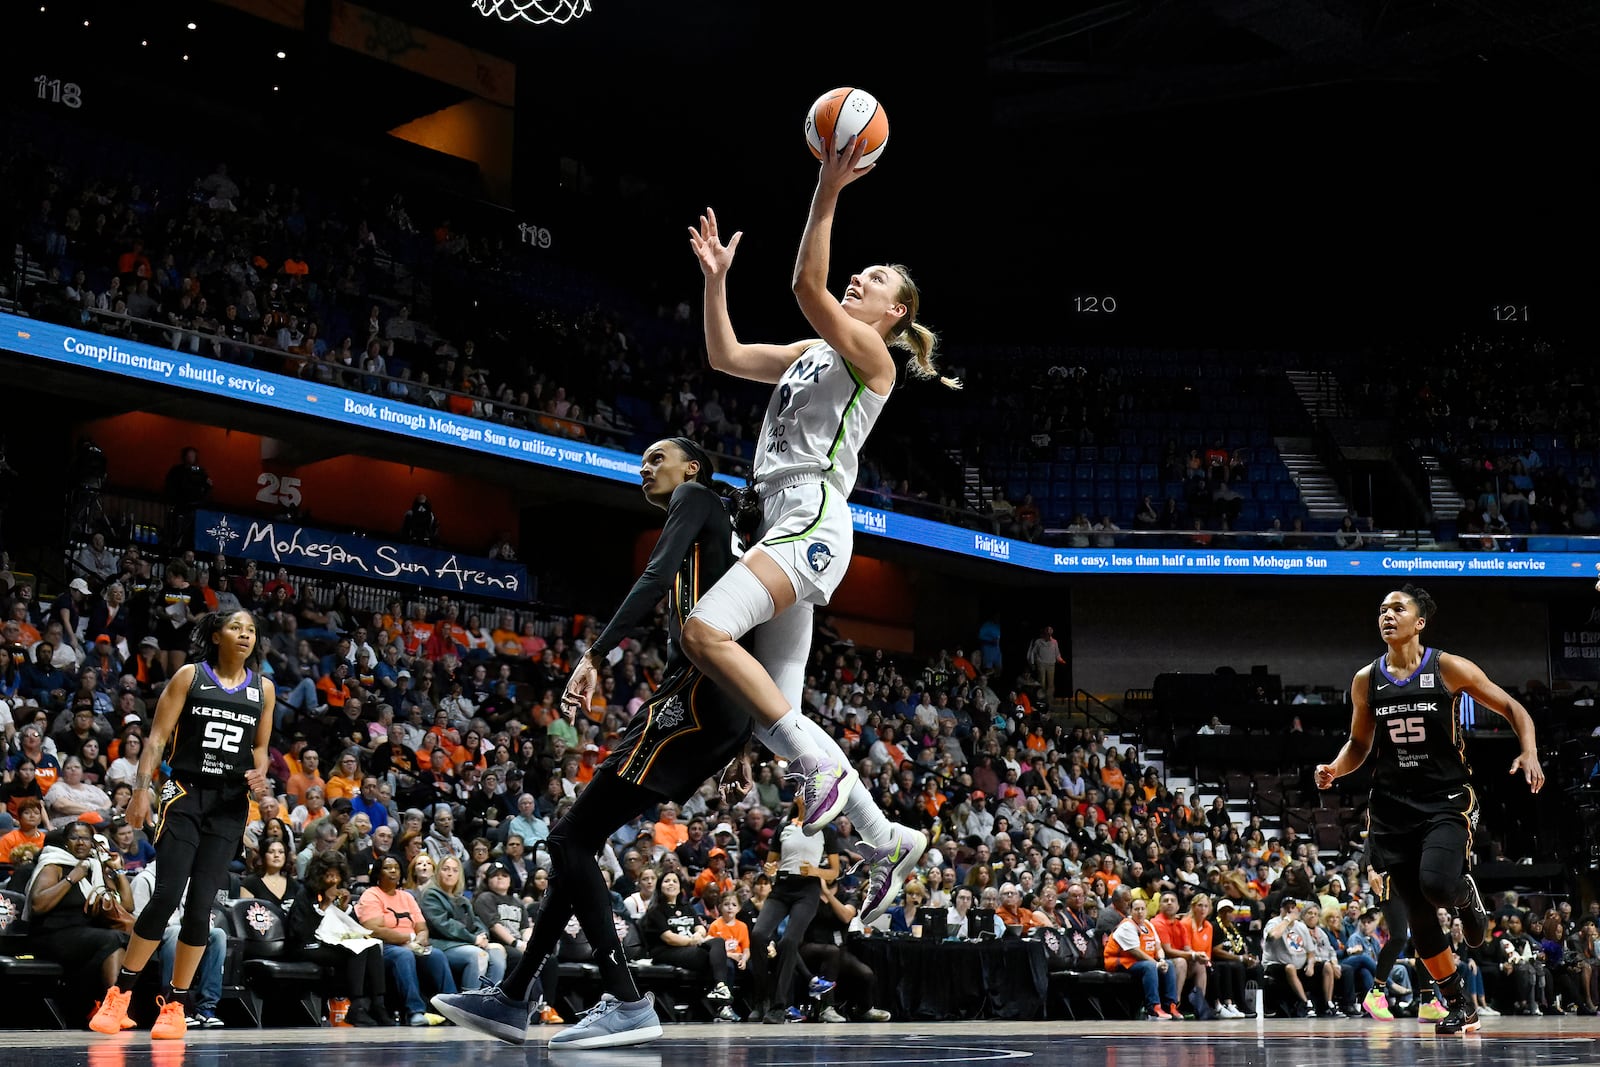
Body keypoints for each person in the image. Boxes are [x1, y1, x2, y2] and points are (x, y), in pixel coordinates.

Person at [679, 139, 957, 924]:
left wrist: (827, 189)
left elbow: (806, 282)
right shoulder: (810, 351)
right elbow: (725, 355)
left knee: (704, 632)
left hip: (809, 515)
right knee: (780, 706)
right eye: (860, 271)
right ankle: (883, 837)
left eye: (875, 280)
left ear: (893, 313)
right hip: (776, 515)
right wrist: (716, 283)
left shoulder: (874, 355)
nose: (858, 277)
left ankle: (824, 781)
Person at [429, 437, 746, 1048]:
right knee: (580, 841)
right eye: (643, 459)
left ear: (694, 468)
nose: (646, 467)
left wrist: (596, 652)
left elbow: (654, 577)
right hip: (722, 701)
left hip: (697, 695)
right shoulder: (724, 533)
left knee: (571, 835)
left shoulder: (695, 497)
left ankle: (626, 1001)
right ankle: (515, 996)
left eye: (659, 457)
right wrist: (745, 739)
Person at [1315, 584, 1544, 1035]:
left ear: (1419, 622)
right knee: (1418, 916)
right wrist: (1335, 770)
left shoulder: (1447, 667)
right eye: (1382, 608)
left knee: (1437, 885)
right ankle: (1459, 1003)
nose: (1387, 614)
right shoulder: (1367, 679)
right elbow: (1360, 744)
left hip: (1446, 796)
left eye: (1398, 608)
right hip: (1391, 806)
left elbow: (1513, 707)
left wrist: (1530, 751)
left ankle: (1465, 894)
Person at [89, 609, 274, 1041]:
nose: (244, 635)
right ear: (216, 634)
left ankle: (176, 1004)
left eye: (250, 630)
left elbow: (261, 747)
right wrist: (140, 790)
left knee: (201, 907)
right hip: (186, 794)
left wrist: (259, 775)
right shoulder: (190, 676)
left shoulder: (263, 690)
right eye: (236, 628)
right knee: (167, 893)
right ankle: (121, 995)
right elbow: (155, 739)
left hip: (230, 804)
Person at [752, 796, 840, 1022]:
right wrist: (770, 869)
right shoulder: (783, 826)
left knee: (789, 942)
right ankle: (761, 998)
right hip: (782, 887)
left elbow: (834, 872)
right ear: (797, 800)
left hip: (807, 890)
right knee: (759, 935)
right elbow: (770, 865)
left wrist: (814, 871)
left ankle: (779, 1007)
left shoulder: (825, 829)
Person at [1104, 896, 1179, 1020]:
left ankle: (1171, 1005)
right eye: (1136, 909)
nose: (1140, 912)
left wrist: (1161, 960)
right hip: (1119, 962)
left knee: (1169, 964)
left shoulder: (1148, 924)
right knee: (1150, 967)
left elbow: (1158, 947)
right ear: (1130, 911)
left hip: (1140, 962)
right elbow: (1136, 952)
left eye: (1142, 909)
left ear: (1146, 910)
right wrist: (1156, 964)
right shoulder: (1126, 926)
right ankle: (1153, 1008)